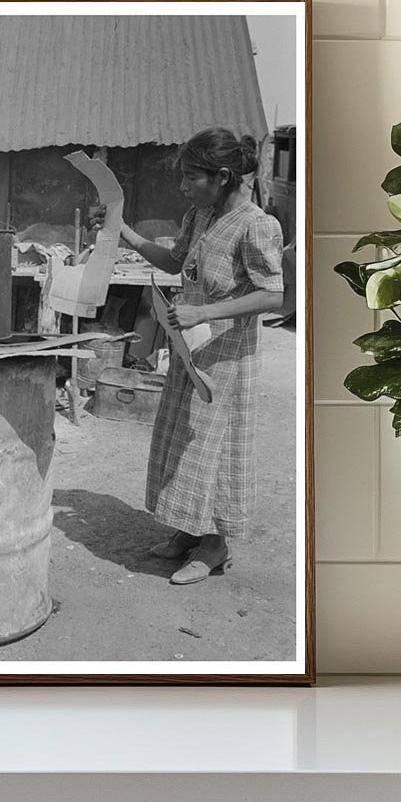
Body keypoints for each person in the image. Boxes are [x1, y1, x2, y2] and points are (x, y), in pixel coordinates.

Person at [94, 128, 285, 585]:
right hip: (189, 347)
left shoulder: (258, 225)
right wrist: (126, 235)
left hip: (226, 355)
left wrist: (205, 309)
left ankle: (215, 546)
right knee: (183, 440)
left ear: (222, 176)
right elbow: (177, 262)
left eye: (190, 177)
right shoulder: (201, 214)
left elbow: (272, 295)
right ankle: (188, 530)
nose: (182, 187)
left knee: (213, 446)